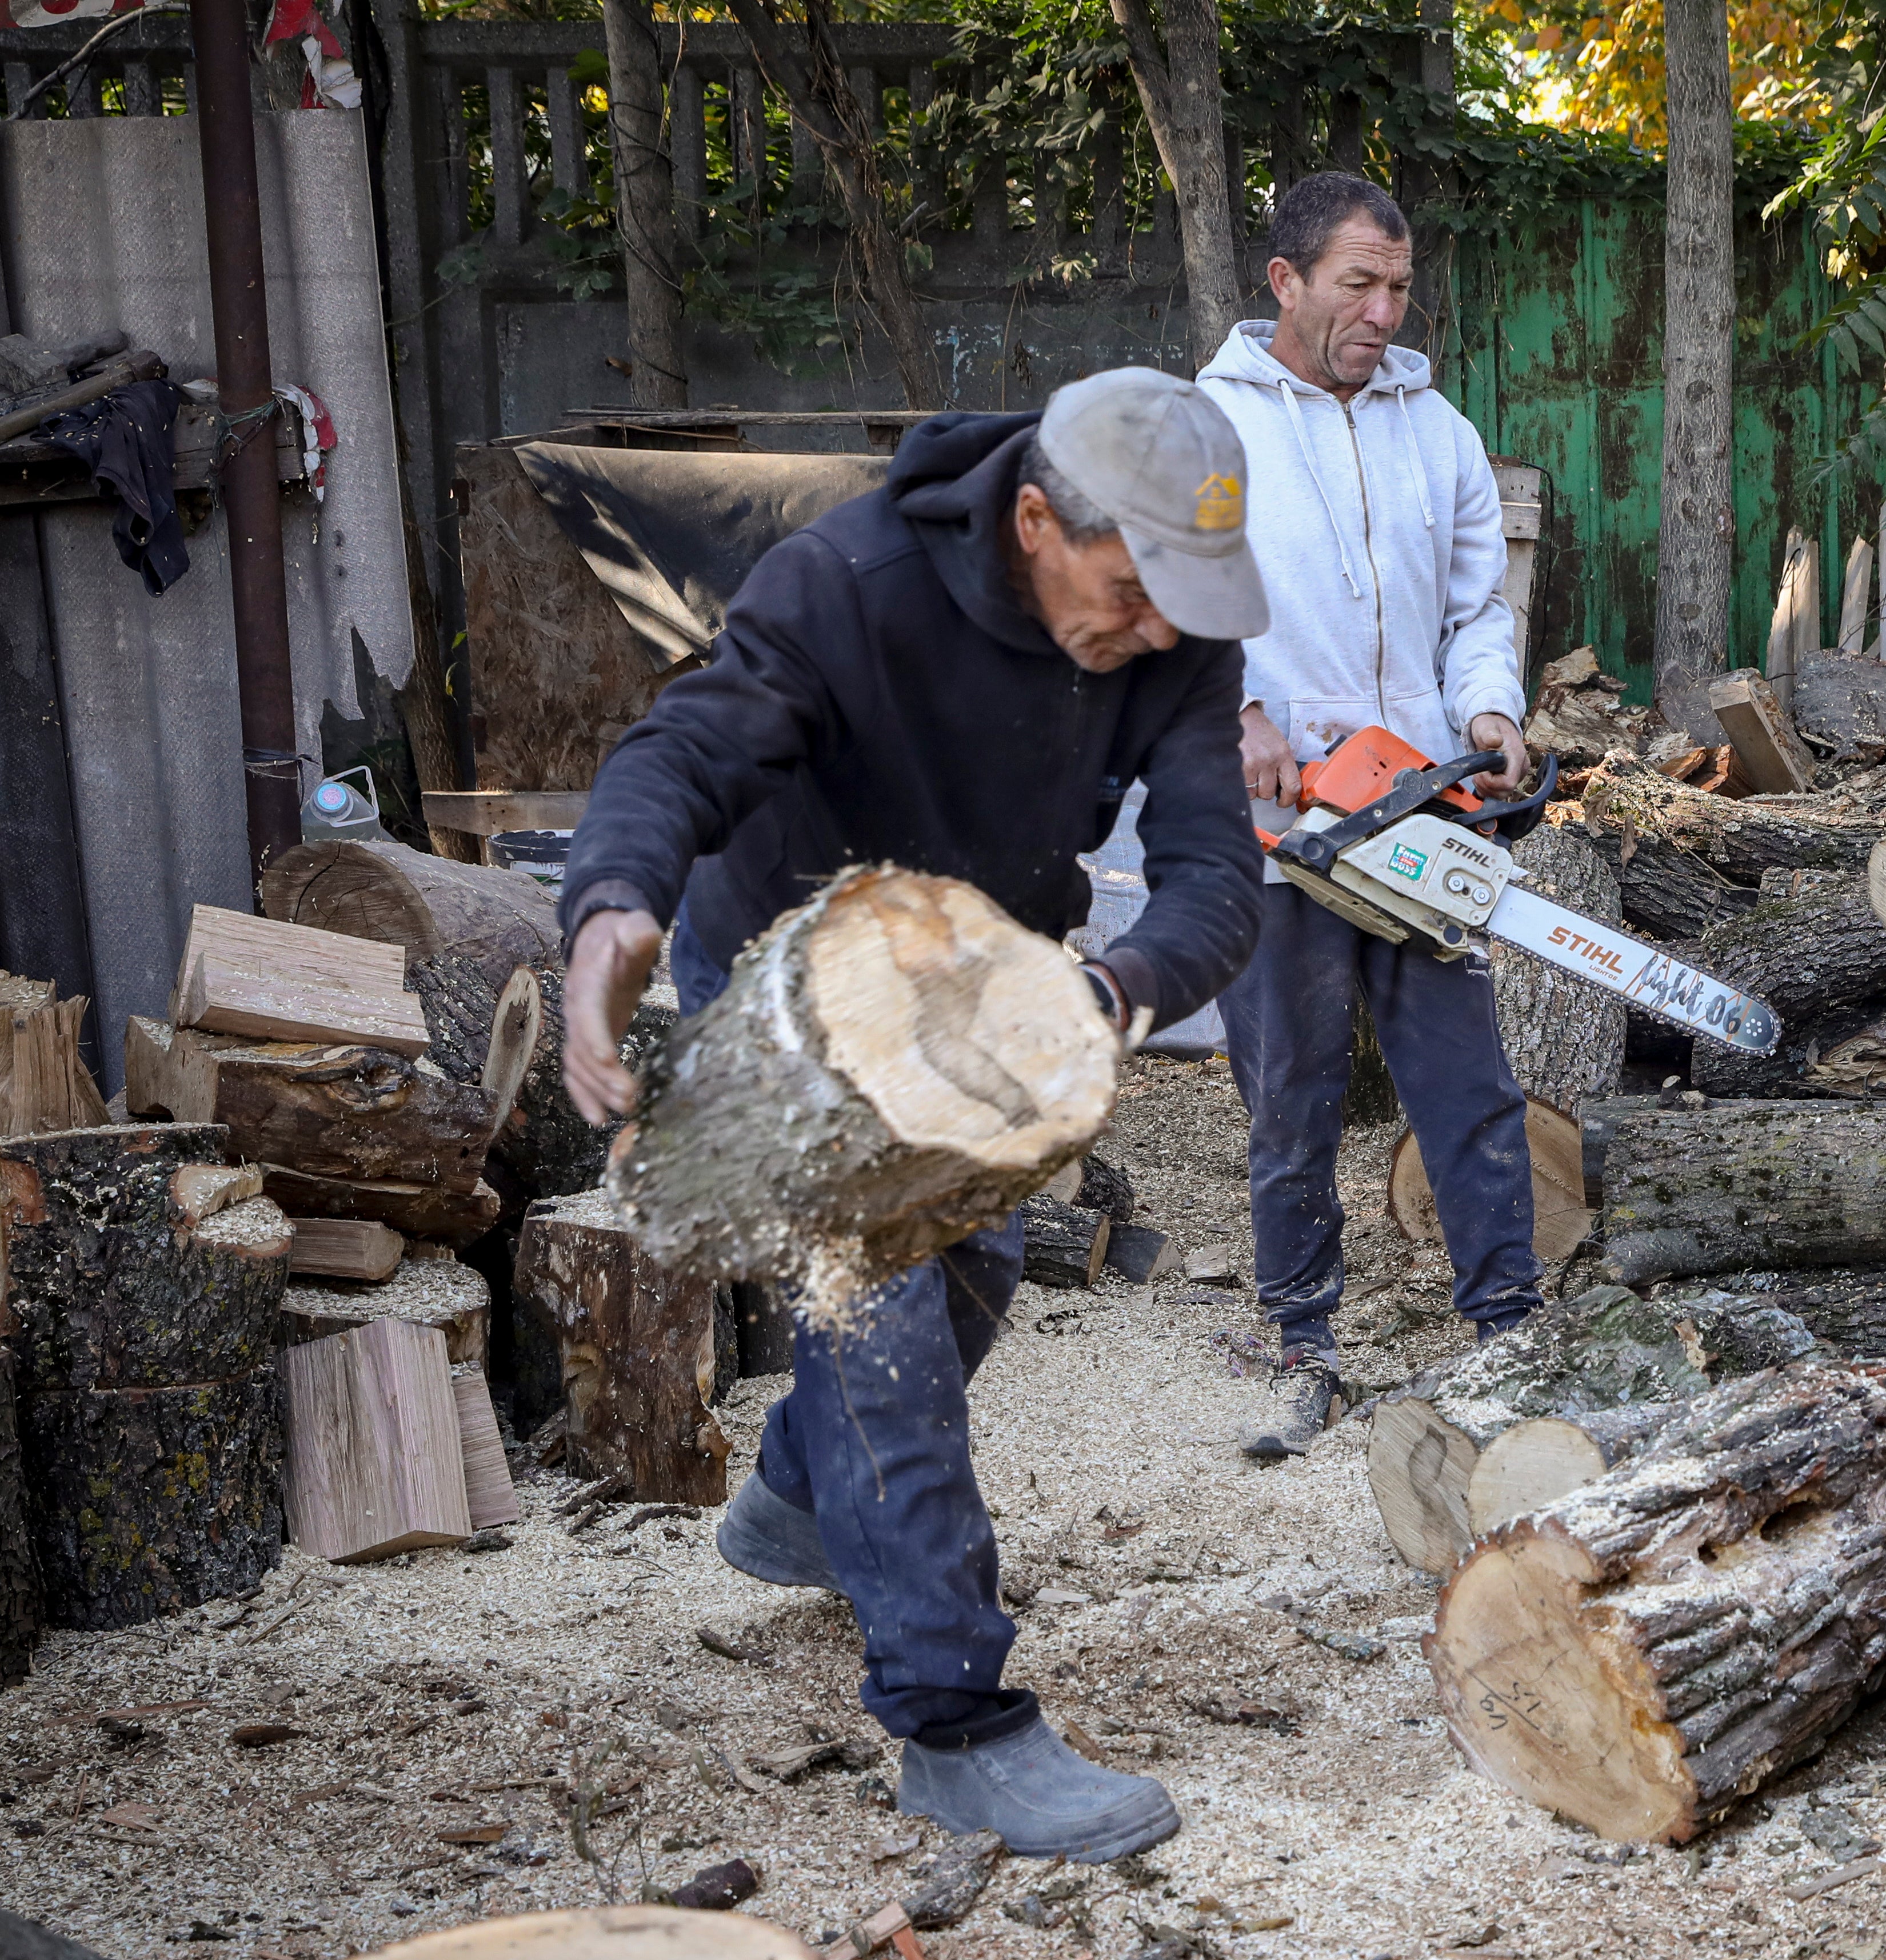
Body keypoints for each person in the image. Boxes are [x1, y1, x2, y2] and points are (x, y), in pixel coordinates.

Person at [551, 369, 1268, 1863]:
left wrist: (1113, 986)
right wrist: (611, 906)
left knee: (980, 1271)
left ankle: (800, 1501)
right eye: (1132, 590)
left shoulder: (1175, 623)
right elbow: (679, 751)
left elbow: (1216, 874)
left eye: (1181, 604)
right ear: (1032, 521)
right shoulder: (847, 581)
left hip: (982, 975)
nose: (1157, 630)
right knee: (876, 1321)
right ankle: (957, 1728)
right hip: (791, 972)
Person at [1198, 171, 1540, 1459]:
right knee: (1288, 1087)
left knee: (1465, 1076)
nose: (1383, 311)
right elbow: (1178, 603)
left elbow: (1473, 611)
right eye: (1358, 284)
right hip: (1285, 814)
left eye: (1397, 286)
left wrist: (1492, 716)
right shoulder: (1210, 424)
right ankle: (1300, 1326)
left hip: (1422, 800)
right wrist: (1237, 714)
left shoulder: (1435, 430)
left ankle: (1507, 1318)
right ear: (1284, 282)